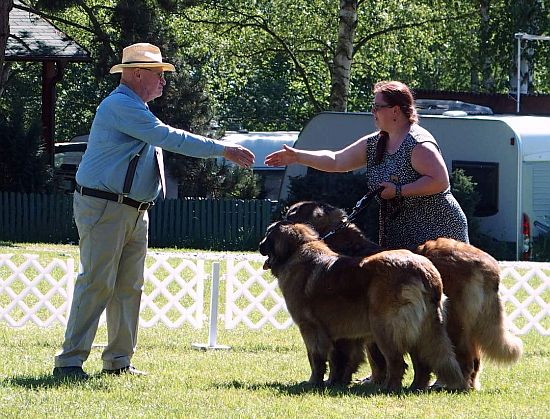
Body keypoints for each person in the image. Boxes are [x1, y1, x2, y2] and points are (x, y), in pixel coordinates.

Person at [53, 43, 255, 379]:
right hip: (106, 205)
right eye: (158, 74)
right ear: (135, 74)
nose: (163, 80)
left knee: (130, 286)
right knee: (97, 283)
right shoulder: (121, 104)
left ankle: (118, 361)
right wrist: (222, 149)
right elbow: (168, 137)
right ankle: (70, 362)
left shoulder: (136, 107)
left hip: (132, 209)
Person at [265, 80, 468, 249]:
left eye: (377, 107)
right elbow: (337, 160)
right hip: (400, 236)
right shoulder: (375, 142)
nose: (373, 112)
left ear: (395, 110)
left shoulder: (418, 144)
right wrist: (298, 156)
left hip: (438, 235)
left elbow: (440, 181)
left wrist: (399, 190)